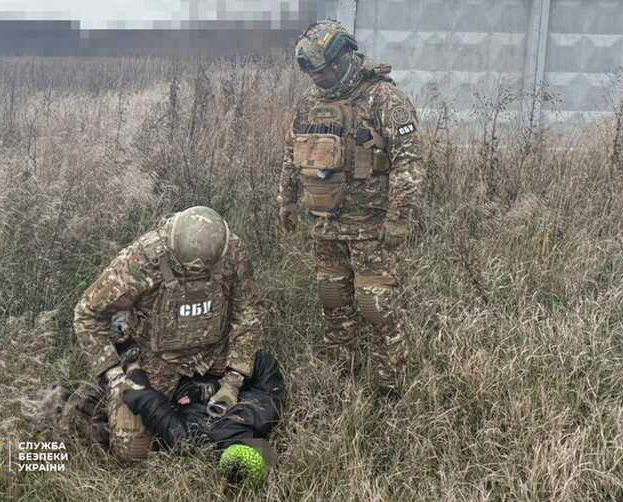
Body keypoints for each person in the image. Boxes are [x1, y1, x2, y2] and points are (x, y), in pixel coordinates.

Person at [68, 205, 283, 483]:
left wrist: (233, 379)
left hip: (212, 353)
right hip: (155, 359)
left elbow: (249, 311)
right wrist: (114, 375)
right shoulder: (142, 259)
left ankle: (191, 397)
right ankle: (112, 389)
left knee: (260, 386)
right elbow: (88, 313)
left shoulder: (231, 251)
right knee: (132, 453)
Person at [277, 20, 424, 393]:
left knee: (375, 304)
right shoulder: (310, 102)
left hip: (371, 227)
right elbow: (292, 153)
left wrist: (399, 218)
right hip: (324, 222)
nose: (319, 79)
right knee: (333, 300)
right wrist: (287, 200)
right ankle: (342, 375)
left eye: (324, 70)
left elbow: (409, 162)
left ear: (343, 57)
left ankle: (390, 384)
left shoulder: (383, 98)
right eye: (314, 73)